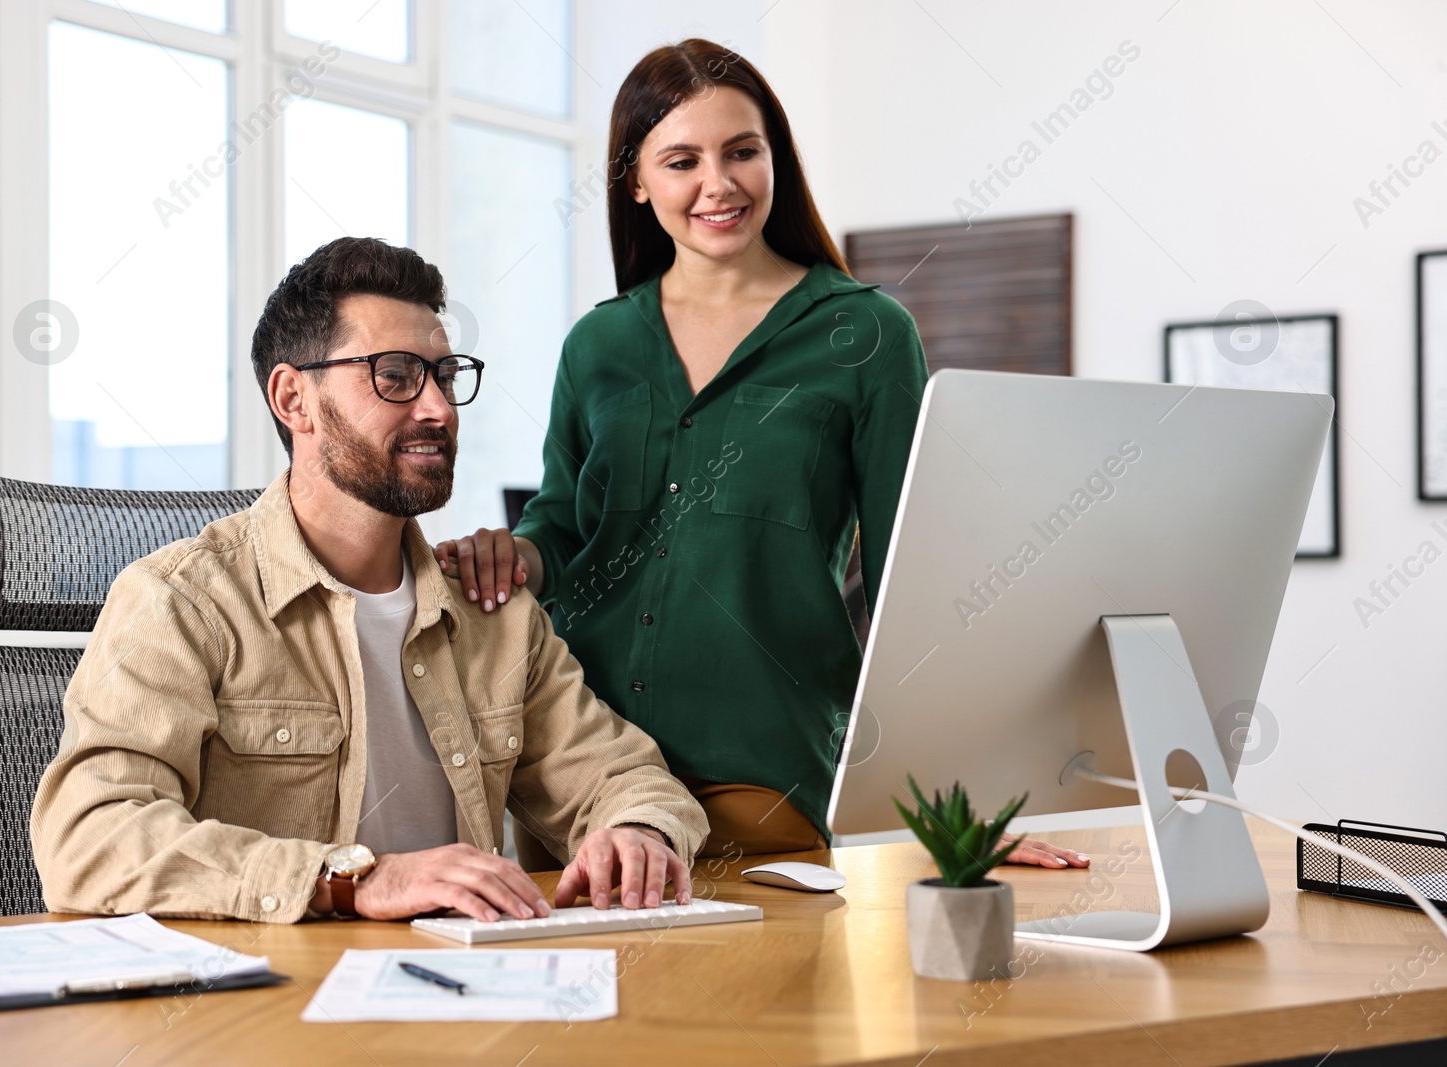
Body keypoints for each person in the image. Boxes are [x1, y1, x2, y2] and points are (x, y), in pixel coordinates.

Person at [437, 40, 1088, 872]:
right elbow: (562, 527)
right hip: (581, 774)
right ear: (637, 182)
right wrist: (514, 553)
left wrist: (968, 796)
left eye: (742, 152)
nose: (719, 183)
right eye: (682, 160)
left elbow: (911, 581)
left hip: (760, 771)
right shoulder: (597, 343)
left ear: (775, 158)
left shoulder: (868, 336)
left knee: (766, 1000)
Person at [31, 237, 710, 925]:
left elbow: (626, 776)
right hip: (267, 1012)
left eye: (445, 376)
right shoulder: (180, 601)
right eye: (394, 375)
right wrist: (353, 878)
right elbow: (89, 840)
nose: (439, 409)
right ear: (294, 398)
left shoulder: (491, 612)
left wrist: (638, 834)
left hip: (466, 996)